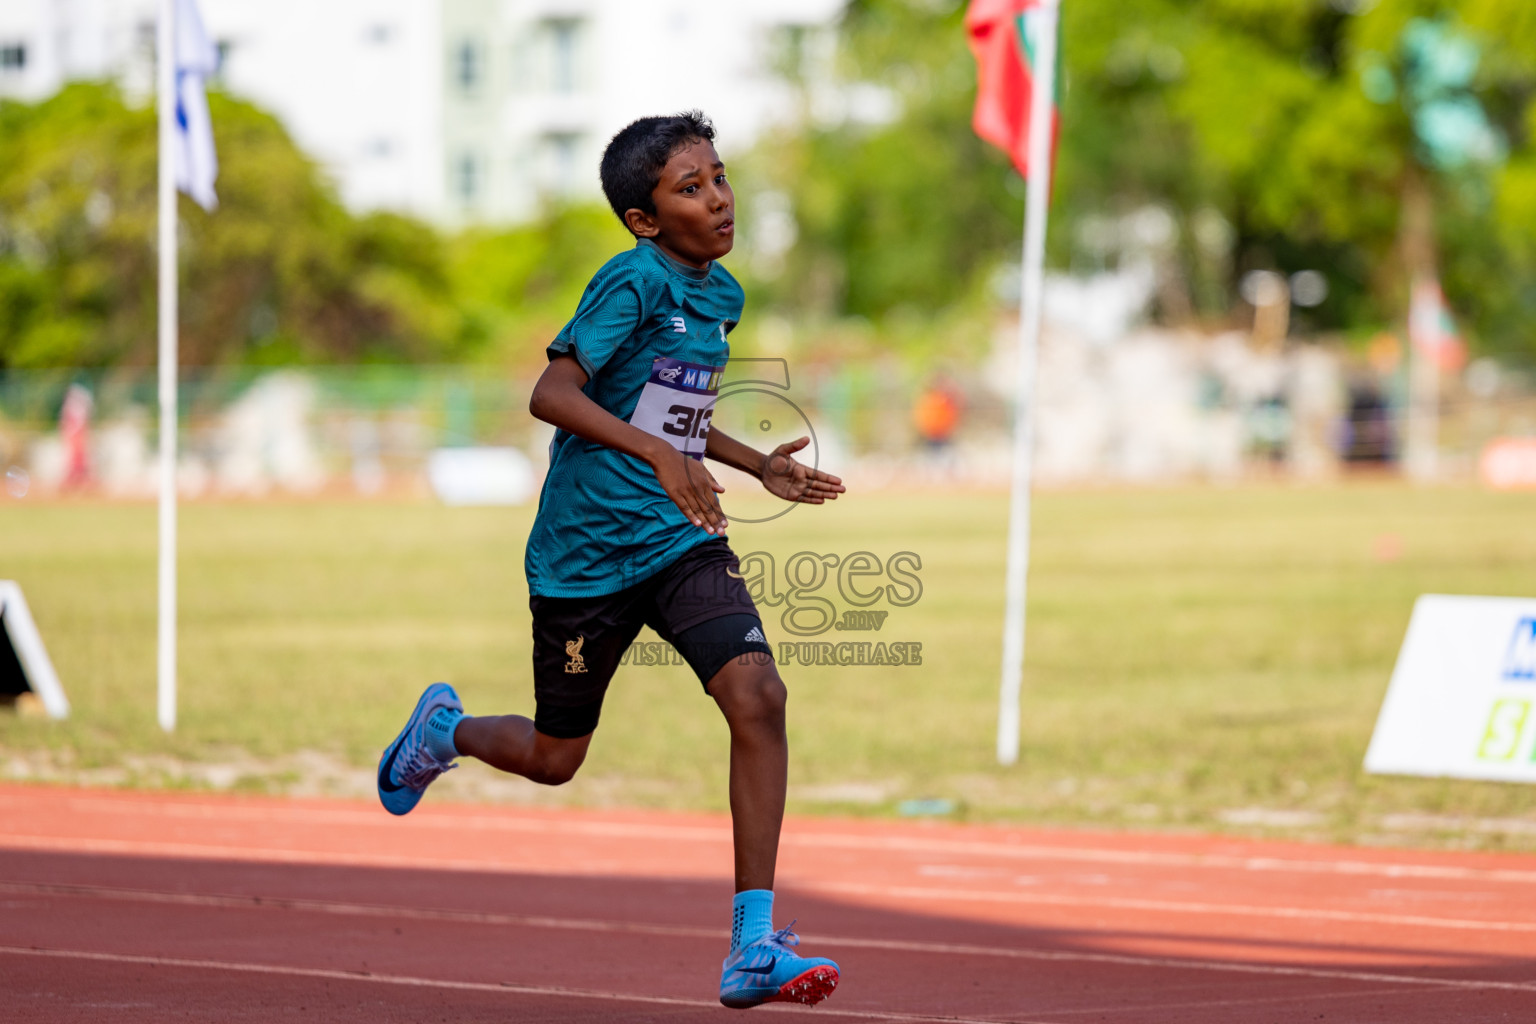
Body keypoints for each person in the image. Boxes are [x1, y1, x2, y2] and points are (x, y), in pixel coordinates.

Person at [376, 111, 846, 1010]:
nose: (718, 198)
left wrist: (756, 464)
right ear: (644, 218)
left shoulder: (721, 295)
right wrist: (662, 456)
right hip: (585, 559)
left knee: (759, 695)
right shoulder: (628, 282)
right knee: (557, 759)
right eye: (690, 187)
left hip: (677, 539)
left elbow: (674, 415)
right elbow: (552, 393)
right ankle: (445, 732)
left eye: (719, 176)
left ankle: (752, 945)